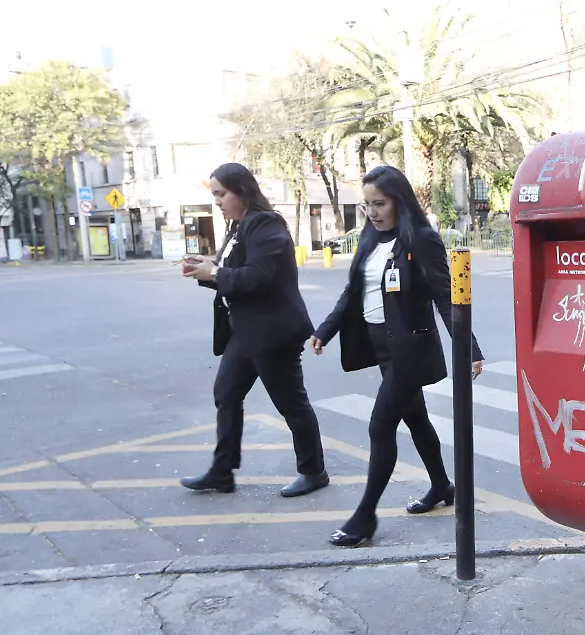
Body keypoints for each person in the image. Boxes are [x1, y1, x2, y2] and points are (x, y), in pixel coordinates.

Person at [310, 165, 484, 547]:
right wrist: (325, 330)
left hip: (411, 350)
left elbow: (445, 294)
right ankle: (441, 486)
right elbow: (353, 291)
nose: (372, 212)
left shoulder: (420, 238)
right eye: (367, 204)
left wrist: (468, 349)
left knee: (380, 425)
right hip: (381, 347)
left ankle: (364, 517)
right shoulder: (371, 236)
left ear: (398, 201)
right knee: (417, 419)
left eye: (380, 204)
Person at [179, 163, 329, 498]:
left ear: (242, 191)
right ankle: (222, 472)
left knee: (291, 403)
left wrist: (215, 273)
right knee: (226, 393)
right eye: (214, 195)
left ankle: (314, 471)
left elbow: (259, 275)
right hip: (245, 332)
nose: (217, 201)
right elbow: (230, 275)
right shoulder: (238, 226)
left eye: (221, 194)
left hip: (273, 332)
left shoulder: (265, 223)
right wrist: (205, 271)